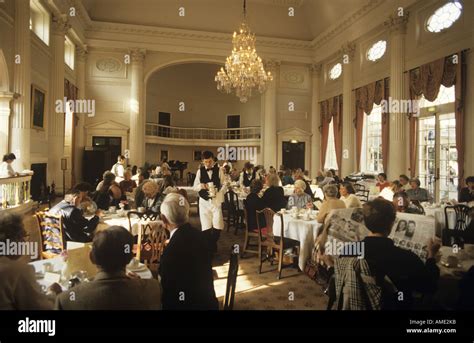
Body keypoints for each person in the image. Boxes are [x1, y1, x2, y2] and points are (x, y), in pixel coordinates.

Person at [349, 199, 440, 309]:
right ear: (392, 223)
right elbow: (429, 286)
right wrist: (431, 256)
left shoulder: (348, 251)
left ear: (364, 222)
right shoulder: (406, 258)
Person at [55, 226, 162, 310]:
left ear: (92, 258)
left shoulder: (66, 300)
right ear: (130, 258)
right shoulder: (153, 289)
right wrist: (139, 284)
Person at [159, 193, 218, 310]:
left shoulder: (171, 250)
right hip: (208, 303)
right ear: (188, 213)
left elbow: (166, 289)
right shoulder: (201, 237)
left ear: (164, 219)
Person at [0, 212, 53, 310]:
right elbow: (41, 307)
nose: (25, 242)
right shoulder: (16, 271)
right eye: (24, 236)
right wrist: (54, 295)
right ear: (14, 240)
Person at [193, 151, 227, 255]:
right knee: (206, 227)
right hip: (204, 202)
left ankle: (211, 244)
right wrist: (202, 186)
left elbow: (225, 184)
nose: (208, 164)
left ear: (213, 160)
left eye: (210, 161)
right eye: (206, 162)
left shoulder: (219, 170)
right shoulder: (200, 171)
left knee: (218, 226)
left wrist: (220, 192)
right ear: (203, 162)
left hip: (216, 201)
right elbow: (195, 187)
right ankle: (210, 250)